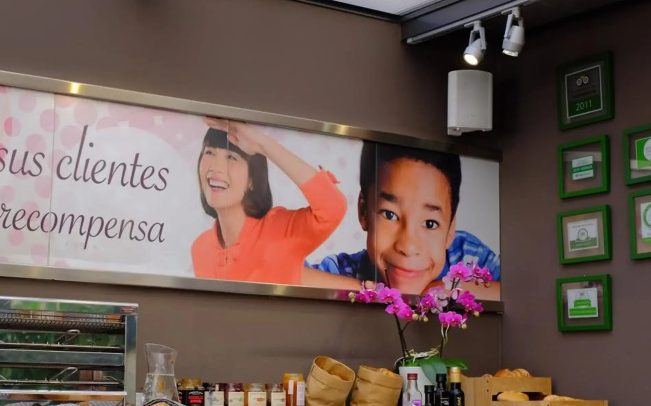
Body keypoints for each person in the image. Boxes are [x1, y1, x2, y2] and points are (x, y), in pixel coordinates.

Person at [309, 142, 500, 297]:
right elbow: (292, 274)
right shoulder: (345, 271)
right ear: (363, 211)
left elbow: (517, 291)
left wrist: (446, 291)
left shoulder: (466, 258)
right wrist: (364, 291)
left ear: (450, 230)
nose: (408, 247)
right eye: (389, 215)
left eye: (430, 224)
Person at [191, 118, 347, 285]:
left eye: (231, 157)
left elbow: (333, 207)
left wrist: (261, 144)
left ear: (252, 180)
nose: (216, 167)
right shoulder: (200, 248)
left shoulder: (279, 232)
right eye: (209, 153)